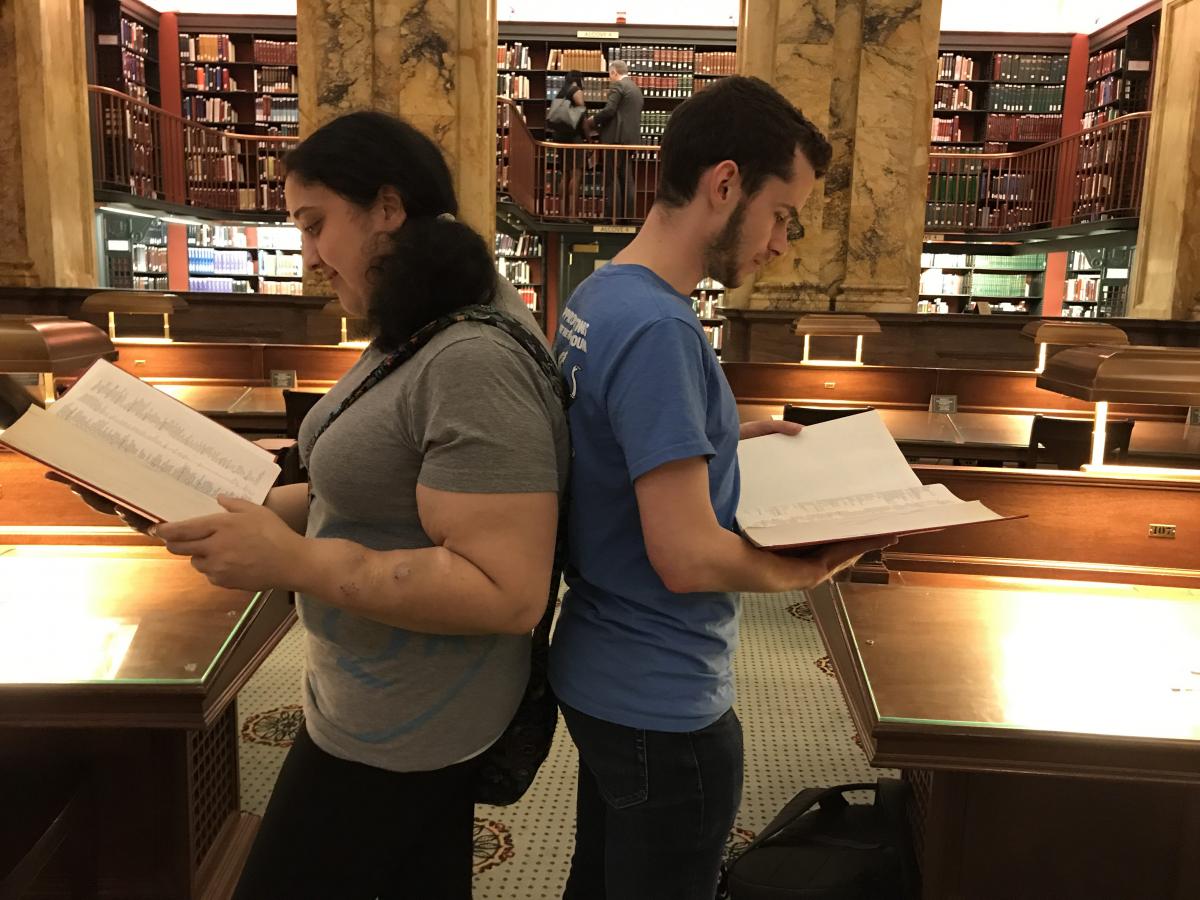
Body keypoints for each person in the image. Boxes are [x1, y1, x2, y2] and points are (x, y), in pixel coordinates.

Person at [148, 112, 570, 899]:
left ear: (386, 208)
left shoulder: (472, 357)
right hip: (380, 693)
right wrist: (195, 498)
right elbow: (363, 485)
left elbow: (505, 590)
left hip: (407, 717)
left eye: (315, 226)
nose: (307, 257)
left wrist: (299, 562)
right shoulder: (418, 323)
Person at [550, 76, 895, 900]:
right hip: (662, 693)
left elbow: (604, 444)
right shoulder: (662, 328)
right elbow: (685, 555)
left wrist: (719, 436)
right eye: (783, 215)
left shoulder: (599, 294)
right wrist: (808, 570)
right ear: (726, 184)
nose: (781, 243)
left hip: (598, 663)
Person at [591, 59, 643, 220]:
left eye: (610, 75)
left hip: (615, 139)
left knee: (612, 179)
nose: (610, 78)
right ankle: (627, 217)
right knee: (626, 178)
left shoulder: (619, 86)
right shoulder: (635, 88)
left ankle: (612, 217)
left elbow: (609, 110)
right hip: (630, 139)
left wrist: (593, 120)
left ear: (614, 72)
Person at [548, 73, 590, 216]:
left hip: (559, 137)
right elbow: (582, 114)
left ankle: (561, 212)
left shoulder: (561, 92)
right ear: (579, 79)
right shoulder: (576, 90)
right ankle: (572, 214)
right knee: (576, 173)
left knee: (564, 174)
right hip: (573, 137)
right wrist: (589, 138)